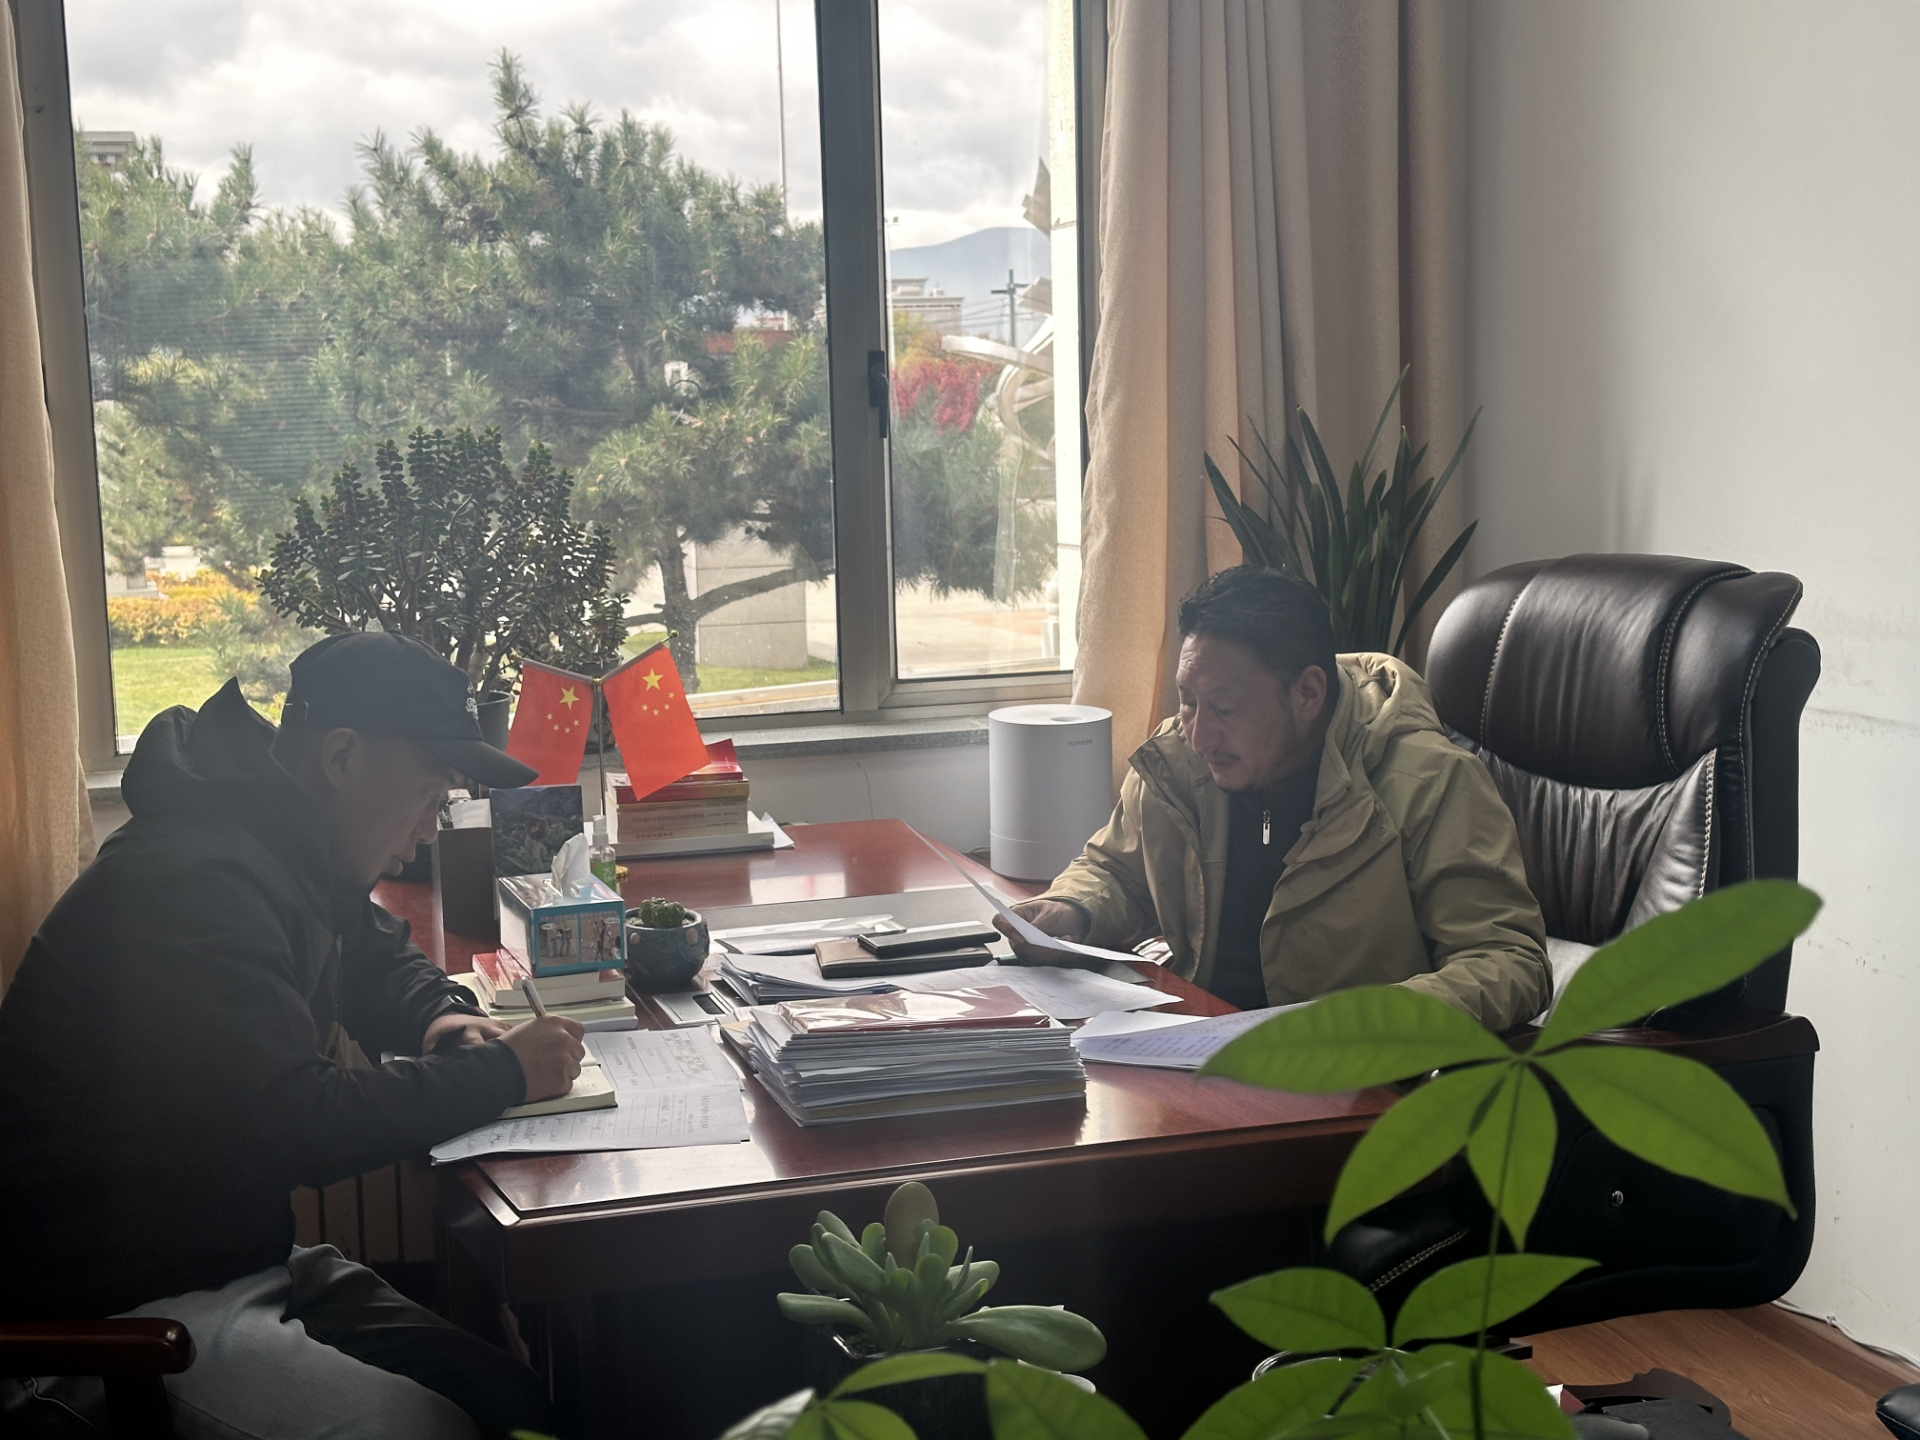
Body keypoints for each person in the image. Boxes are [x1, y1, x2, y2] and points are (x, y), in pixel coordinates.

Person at [0, 632, 588, 1439]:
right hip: (107, 1309)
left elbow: (370, 954)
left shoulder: (276, 836)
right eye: (429, 792)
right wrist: (505, 1075)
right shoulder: (192, 880)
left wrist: (439, 1015)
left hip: (221, 1257)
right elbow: (294, 1124)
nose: (430, 828)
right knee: (434, 1430)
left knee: (509, 1401)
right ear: (342, 757)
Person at [998, 566, 1551, 1031]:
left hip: (1351, 1082)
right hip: (1196, 1049)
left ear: (1307, 693)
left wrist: (1372, 1021)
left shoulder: (1429, 783)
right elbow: (1117, 870)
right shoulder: (1178, 762)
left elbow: (1509, 960)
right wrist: (1072, 910)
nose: (1199, 735)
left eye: (1225, 708)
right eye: (1188, 702)